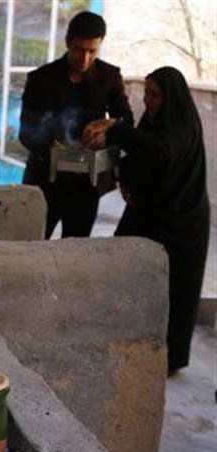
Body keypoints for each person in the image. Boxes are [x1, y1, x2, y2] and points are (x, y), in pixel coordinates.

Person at [84, 67, 210, 375]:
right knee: (122, 273)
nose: (148, 101)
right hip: (147, 215)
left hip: (180, 224)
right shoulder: (154, 122)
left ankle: (168, 358)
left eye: (155, 95)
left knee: (174, 293)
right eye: (146, 93)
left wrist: (115, 128)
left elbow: (160, 152)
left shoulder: (181, 128)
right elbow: (141, 157)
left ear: (170, 98)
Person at [19, 11, 134, 239]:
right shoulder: (41, 79)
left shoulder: (109, 76)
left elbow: (126, 120)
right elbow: (26, 132)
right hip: (45, 180)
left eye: (92, 51)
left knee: (76, 247)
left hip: (86, 185)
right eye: (79, 50)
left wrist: (107, 128)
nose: (85, 59)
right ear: (68, 42)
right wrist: (53, 149)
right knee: (33, 244)